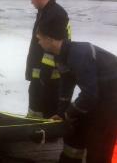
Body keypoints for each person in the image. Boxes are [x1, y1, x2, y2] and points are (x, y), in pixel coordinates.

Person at [37, 20, 117, 163]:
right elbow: (66, 87)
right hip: (98, 93)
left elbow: (89, 95)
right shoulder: (61, 55)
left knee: (98, 139)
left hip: (111, 98)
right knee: (75, 128)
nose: (39, 42)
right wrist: (62, 114)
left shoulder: (80, 54)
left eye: (39, 38)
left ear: (49, 39)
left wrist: (69, 113)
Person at [25, 0, 71, 119]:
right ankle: (34, 122)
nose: (31, 2)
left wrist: (45, 73)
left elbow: (55, 47)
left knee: (46, 100)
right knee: (35, 95)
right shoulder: (45, 11)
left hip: (49, 72)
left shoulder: (56, 15)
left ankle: (47, 129)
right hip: (40, 68)